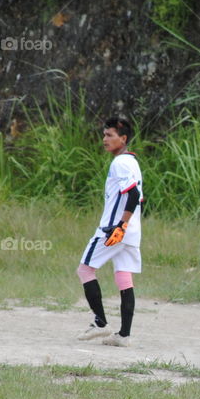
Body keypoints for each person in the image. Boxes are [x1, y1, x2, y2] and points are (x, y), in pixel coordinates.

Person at [76, 117, 143, 347]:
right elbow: (136, 197)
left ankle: (101, 323)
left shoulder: (120, 163)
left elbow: (133, 195)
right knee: (124, 277)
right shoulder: (132, 162)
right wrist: (127, 226)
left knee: (85, 270)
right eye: (104, 134)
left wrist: (120, 225)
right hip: (131, 231)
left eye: (110, 135)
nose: (105, 139)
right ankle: (123, 336)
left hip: (114, 230)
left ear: (123, 139)